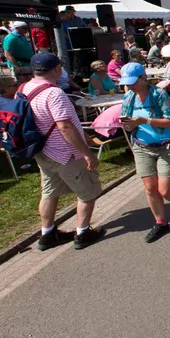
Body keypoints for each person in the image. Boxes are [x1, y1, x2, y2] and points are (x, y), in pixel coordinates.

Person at [24, 53, 105, 251]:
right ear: (56, 70)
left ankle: (47, 233)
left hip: (43, 152)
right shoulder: (54, 93)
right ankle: (83, 232)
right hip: (64, 153)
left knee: (49, 192)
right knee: (87, 192)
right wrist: (86, 153)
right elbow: (65, 127)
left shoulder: (26, 87)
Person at [119, 63, 170, 243]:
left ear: (144, 78)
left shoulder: (159, 94)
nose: (130, 86)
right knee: (150, 188)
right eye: (127, 83)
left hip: (167, 146)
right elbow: (126, 120)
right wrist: (127, 125)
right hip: (142, 146)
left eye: (133, 82)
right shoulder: (128, 97)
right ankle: (161, 222)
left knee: (165, 189)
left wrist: (146, 120)